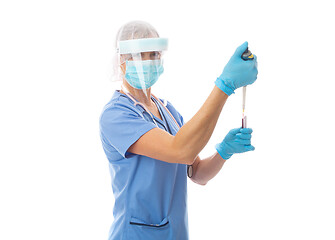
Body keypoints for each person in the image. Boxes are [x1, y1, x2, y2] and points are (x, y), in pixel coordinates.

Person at [99, 20, 258, 240]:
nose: (148, 61)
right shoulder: (116, 114)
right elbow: (180, 150)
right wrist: (225, 85)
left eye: (154, 54)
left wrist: (224, 151)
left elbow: (197, 172)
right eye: (139, 55)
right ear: (121, 62)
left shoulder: (168, 111)